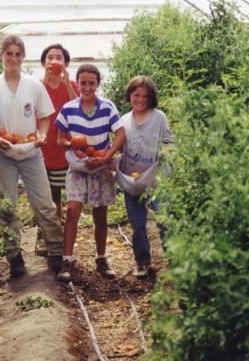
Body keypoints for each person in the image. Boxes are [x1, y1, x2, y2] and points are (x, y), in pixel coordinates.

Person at [0, 35, 64, 278]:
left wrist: (43, 135)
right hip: (2, 153)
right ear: (1, 56)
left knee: (45, 203)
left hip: (31, 151)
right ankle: (14, 256)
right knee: (6, 206)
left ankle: (56, 252)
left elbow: (45, 118)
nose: (13, 58)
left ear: (23, 57)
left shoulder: (34, 86)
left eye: (17, 54)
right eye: (9, 53)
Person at [54, 64, 126, 282]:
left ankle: (101, 258)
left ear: (97, 84)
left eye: (91, 83)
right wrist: (73, 143)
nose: (87, 87)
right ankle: (67, 261)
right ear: (78, 83)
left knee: (100, 213)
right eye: (83, 83)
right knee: (73, 208)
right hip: (78, 166)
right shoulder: (68, 108)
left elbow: (121, 134)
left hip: (100, 166)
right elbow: (59, 140)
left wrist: (106, 157)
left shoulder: (107, 107)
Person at [119, 75, 173, 278]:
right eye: (136, 95)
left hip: (156, 180)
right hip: (132, 183)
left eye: (145, 96)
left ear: (151, 98)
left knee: (163, 219)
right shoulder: (124, 121)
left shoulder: (159, 118)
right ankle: (142, 262)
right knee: (138, 223)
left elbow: (169, 143)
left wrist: (165, 167)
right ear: (129, 96)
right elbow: (120, 149)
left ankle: (173, 260)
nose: (140, 99)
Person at [34, 44, 80, 256]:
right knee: (45, 198)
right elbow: (33, 105)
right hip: (42, 149)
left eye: (59, 57)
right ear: (44, 63)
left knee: (60, 197)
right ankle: (44, 239)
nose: (54, 61)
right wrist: (45, 80)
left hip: (63, 149)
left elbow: (78, 108)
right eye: (50, 57)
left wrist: (67, 83)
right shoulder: (37, 86)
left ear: (66, 63)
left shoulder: (71, 85)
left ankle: (58, 238)